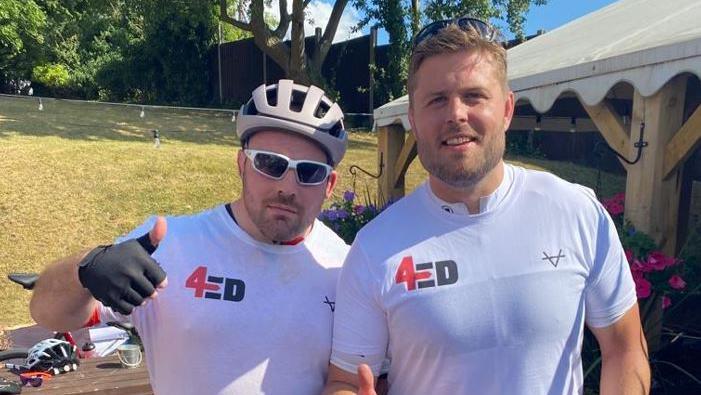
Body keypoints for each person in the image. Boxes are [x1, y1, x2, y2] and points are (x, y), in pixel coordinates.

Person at [323, 17, 650, 395]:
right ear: (413, 119)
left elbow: (625, 348)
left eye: (474, 96)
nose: (456, 114)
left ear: (508, 108)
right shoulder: (374, 248)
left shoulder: (576, 212)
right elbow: (345, 380)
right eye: (437, 100)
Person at [30, 79, 351, 394]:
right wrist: (85, 269)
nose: (287, 187)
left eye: (310, 172)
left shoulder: (347, 268)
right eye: (270, 164)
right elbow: (47, 313)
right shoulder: (169, 244)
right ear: (242, 164)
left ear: (330, 184)